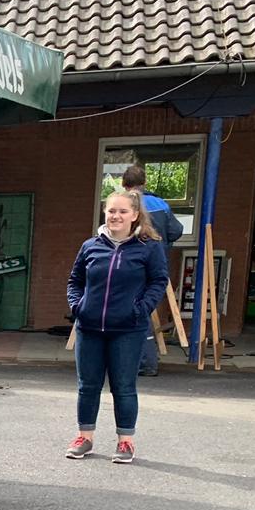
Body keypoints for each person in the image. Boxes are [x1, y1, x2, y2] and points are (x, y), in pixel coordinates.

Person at [66, 190, 169, 465]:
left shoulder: (149, 247)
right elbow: (75, 281)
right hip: (89, 328)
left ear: (134, 215)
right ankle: (84, 437)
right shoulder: (90, 246)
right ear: (105, 213)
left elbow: (158, 281)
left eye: (123, 211)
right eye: (111, 211)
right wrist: (78, 306)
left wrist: (140, 309)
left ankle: (125, 441)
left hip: (128, 330)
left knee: (123, 387)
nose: (116, 216)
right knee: (87, 386)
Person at [121, 164, 185, 376]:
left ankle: (146, 362)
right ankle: (142, 360)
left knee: (138, 312)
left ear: (124, 183)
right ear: (145, 182)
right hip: (158, 265)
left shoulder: (125, 204)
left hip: (133, 266)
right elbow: (176, 230)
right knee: (144, 309)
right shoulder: (161, 204)